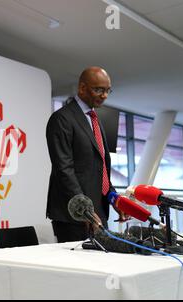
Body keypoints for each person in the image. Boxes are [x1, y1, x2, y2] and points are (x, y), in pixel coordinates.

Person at [46, 66, 124, 243]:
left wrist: (114, 197)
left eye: (107, 90)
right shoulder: (62, 119)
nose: (104, 95)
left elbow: (100, 167)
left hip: (99, 211)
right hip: (74, 215)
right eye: (98, 90)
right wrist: (85, 209)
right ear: (82, 88)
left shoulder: (95, 119)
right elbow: (63, 168)